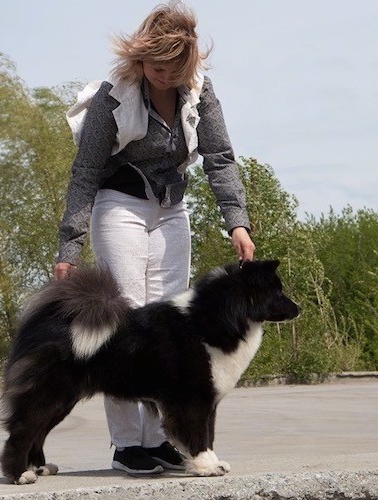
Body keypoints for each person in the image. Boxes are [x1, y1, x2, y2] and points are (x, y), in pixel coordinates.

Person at [54, 1, 255, 475]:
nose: (164, 76)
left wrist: (237, 222)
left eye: (174, 68)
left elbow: (220, 159)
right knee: (124, 319)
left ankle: (164, 439)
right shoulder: (112, 97)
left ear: (189, 64)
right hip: (117, 204)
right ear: (139, 59)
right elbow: (84, 172)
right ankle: (127, 445)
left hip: (172, 209)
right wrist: (69, 247)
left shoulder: (201, 95)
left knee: (170, 328)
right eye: (155, 66)